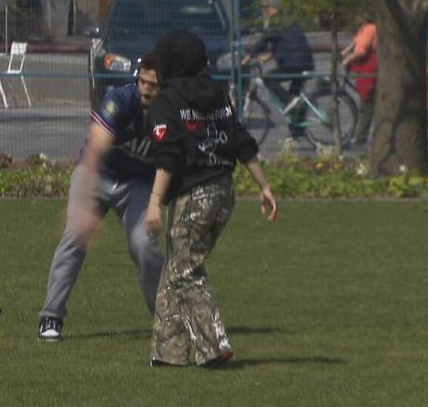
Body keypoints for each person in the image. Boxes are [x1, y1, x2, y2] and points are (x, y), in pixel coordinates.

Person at [145, 29, 277, 368]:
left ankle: (214, 347)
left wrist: (154, 203)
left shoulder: (166, 102)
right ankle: (168, 352)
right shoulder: (217, 94)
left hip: (194, 195)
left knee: (185, 271)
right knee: (175, 268)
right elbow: (240, 139)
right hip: (224, 190)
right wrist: (264, 186)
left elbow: (169, 155)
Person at [37, 53, 165, 341]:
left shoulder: (169, 113)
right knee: (74, 235)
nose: (145, 88)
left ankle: (163, 317)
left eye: (153, 85)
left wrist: (157, 204)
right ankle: (51, 316)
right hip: (97, 174)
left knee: (144, 246)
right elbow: (95, 148)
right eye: (142, 81)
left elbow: (171, 163)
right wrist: (83, 206)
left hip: (136, 184)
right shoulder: (119, 100)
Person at [242, 0, 315, 139]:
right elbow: (284, 42)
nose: (265, 11)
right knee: (296, 101)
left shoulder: (276, 22)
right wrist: (270, 56)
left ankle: (288, 101)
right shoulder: (288, 21)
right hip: (303, 62)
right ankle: (295, 135)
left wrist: (249, 57)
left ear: (275, 9)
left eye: (267, 8)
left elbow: (264, 41)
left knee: (268, 79)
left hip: (294, 63)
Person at [340, 14, 378, 145]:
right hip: (369, 67)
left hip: (369, 67)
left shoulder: (369, 29)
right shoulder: (366, 28)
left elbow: (361, 51)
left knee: (366, 103)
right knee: (368, 99)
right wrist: (346, 51)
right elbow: (355, 42)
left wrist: (347, 60)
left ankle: (361, 136)